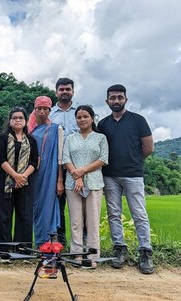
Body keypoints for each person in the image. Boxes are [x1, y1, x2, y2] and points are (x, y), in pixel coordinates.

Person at [98, 84, 154, 274]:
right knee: (114, 214)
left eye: (120, 97)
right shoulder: (103, 124)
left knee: (139, 214)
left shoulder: (138, 120)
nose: (116, 101)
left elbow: (148, 148)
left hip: (133, 175)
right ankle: (119, 249)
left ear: (126, 100)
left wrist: (132, 161)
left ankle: (145, 252)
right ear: (107, 101)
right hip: (110, 175)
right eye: (112, 98)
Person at [63, 105, 108, 269]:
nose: (82, 120)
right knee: (76, 222)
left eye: (85, 116)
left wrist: (82, 172)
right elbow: (65, 158)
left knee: (92, 222)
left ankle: (93, 256)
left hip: (94, 183)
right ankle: (77, 255)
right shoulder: (70, 138)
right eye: (79, 117)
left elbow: (103, 159)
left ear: (92, 118)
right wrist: (77, 176)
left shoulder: (100, 138)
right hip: (72, 184)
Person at [0, 107, 38, 262]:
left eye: (21, 118)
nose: (18, 120)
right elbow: (1, 160)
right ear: (10, 120)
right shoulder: (2, 138)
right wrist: (15, 176)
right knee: (4, 215)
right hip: (6, 181)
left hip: (25, 183)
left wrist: (23, 177)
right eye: (14, 118)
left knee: (25, 216)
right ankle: (3, 252)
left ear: (26, 121)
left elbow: (34, 162)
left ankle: (23, 251)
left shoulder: (31, 140)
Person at [28, 96, 63, 247]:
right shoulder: (31, 129)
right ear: (34, 110)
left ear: (50, 110)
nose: (42, 112)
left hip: (50, 174)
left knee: (49, 205)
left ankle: (49, 243)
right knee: (34, 207)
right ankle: (38, 242)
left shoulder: (57, 128)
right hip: (33, 174)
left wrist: (60, 179)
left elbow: (60, 156)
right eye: (39, 109)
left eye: (45, 109)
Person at [49, 77, 79, 246]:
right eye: (61, 89)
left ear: (73, 91)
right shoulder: (50, 114)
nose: (65, 92)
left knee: (79, 205)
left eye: (68, 89)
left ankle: (82, 244)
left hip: (78, 166)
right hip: (57, 166)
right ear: (56, 92)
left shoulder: (80, 113)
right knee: (58, 205)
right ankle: (60, 241)